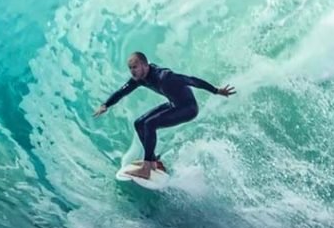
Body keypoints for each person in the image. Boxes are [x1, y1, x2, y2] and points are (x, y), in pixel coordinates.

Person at [93, 52, 235, 179]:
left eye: (134, 67)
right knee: (139, 123)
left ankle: (147, 167)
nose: (132, 71)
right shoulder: (140, 78)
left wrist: (216, 90)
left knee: (149, 124)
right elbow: (122, 91)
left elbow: (192, 80)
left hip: (188, 108)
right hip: (174, 104)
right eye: (130, 68)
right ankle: (154, 162)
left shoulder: (164, 76)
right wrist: (106, 105)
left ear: (144, 65)